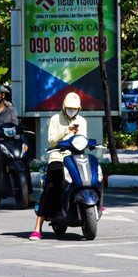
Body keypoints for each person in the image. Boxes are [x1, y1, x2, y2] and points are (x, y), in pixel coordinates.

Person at [30, 92, 85, 240]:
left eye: (75, 109)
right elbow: (52, 141)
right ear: (64, 107)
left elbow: (83, 140)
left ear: (79, 109)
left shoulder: (82, 121)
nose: (72, 111)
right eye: (69, 108)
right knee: (51, 186)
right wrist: (66, 131)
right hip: (58, 157)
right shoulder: (55, 119)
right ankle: (37, 228)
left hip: (76, 157)